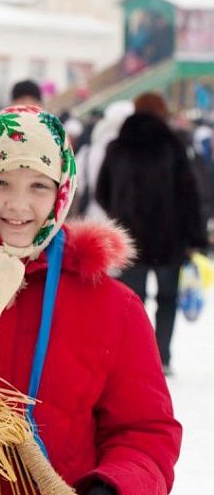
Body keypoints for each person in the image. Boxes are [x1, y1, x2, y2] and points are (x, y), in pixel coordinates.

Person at [0, 106, 181, 494]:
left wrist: (114, 486)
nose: (18, 205)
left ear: (63, 191)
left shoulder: (111, 305)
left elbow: (144, 430)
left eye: (38, 186)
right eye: (0, 182)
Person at [96, 97, 206, 375]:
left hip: (129, 239)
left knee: (131, 302)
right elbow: (189, 193)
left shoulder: (118, 147)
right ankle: (162, 357)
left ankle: (134, 357)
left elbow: (101, 191)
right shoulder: (173, 145)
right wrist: (195, 237)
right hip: (170, 239)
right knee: (167, 300)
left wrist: (119, 214)